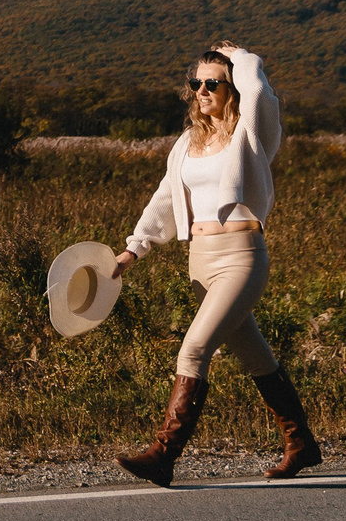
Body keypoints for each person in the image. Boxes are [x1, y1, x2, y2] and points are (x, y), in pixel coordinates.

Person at [109, 42, 321, 486]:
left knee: (194, 349)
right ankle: (301, 443)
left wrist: (243, 58)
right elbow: (165, 198)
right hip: (199, 261)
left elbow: (261, 94)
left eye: (213, 83)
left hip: (241, 257)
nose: (202, 90)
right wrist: (135, 247)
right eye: (196, 83)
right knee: (256, 357)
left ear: (231, 88)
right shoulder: (187, 143)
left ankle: (164, 455)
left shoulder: (252, 131)